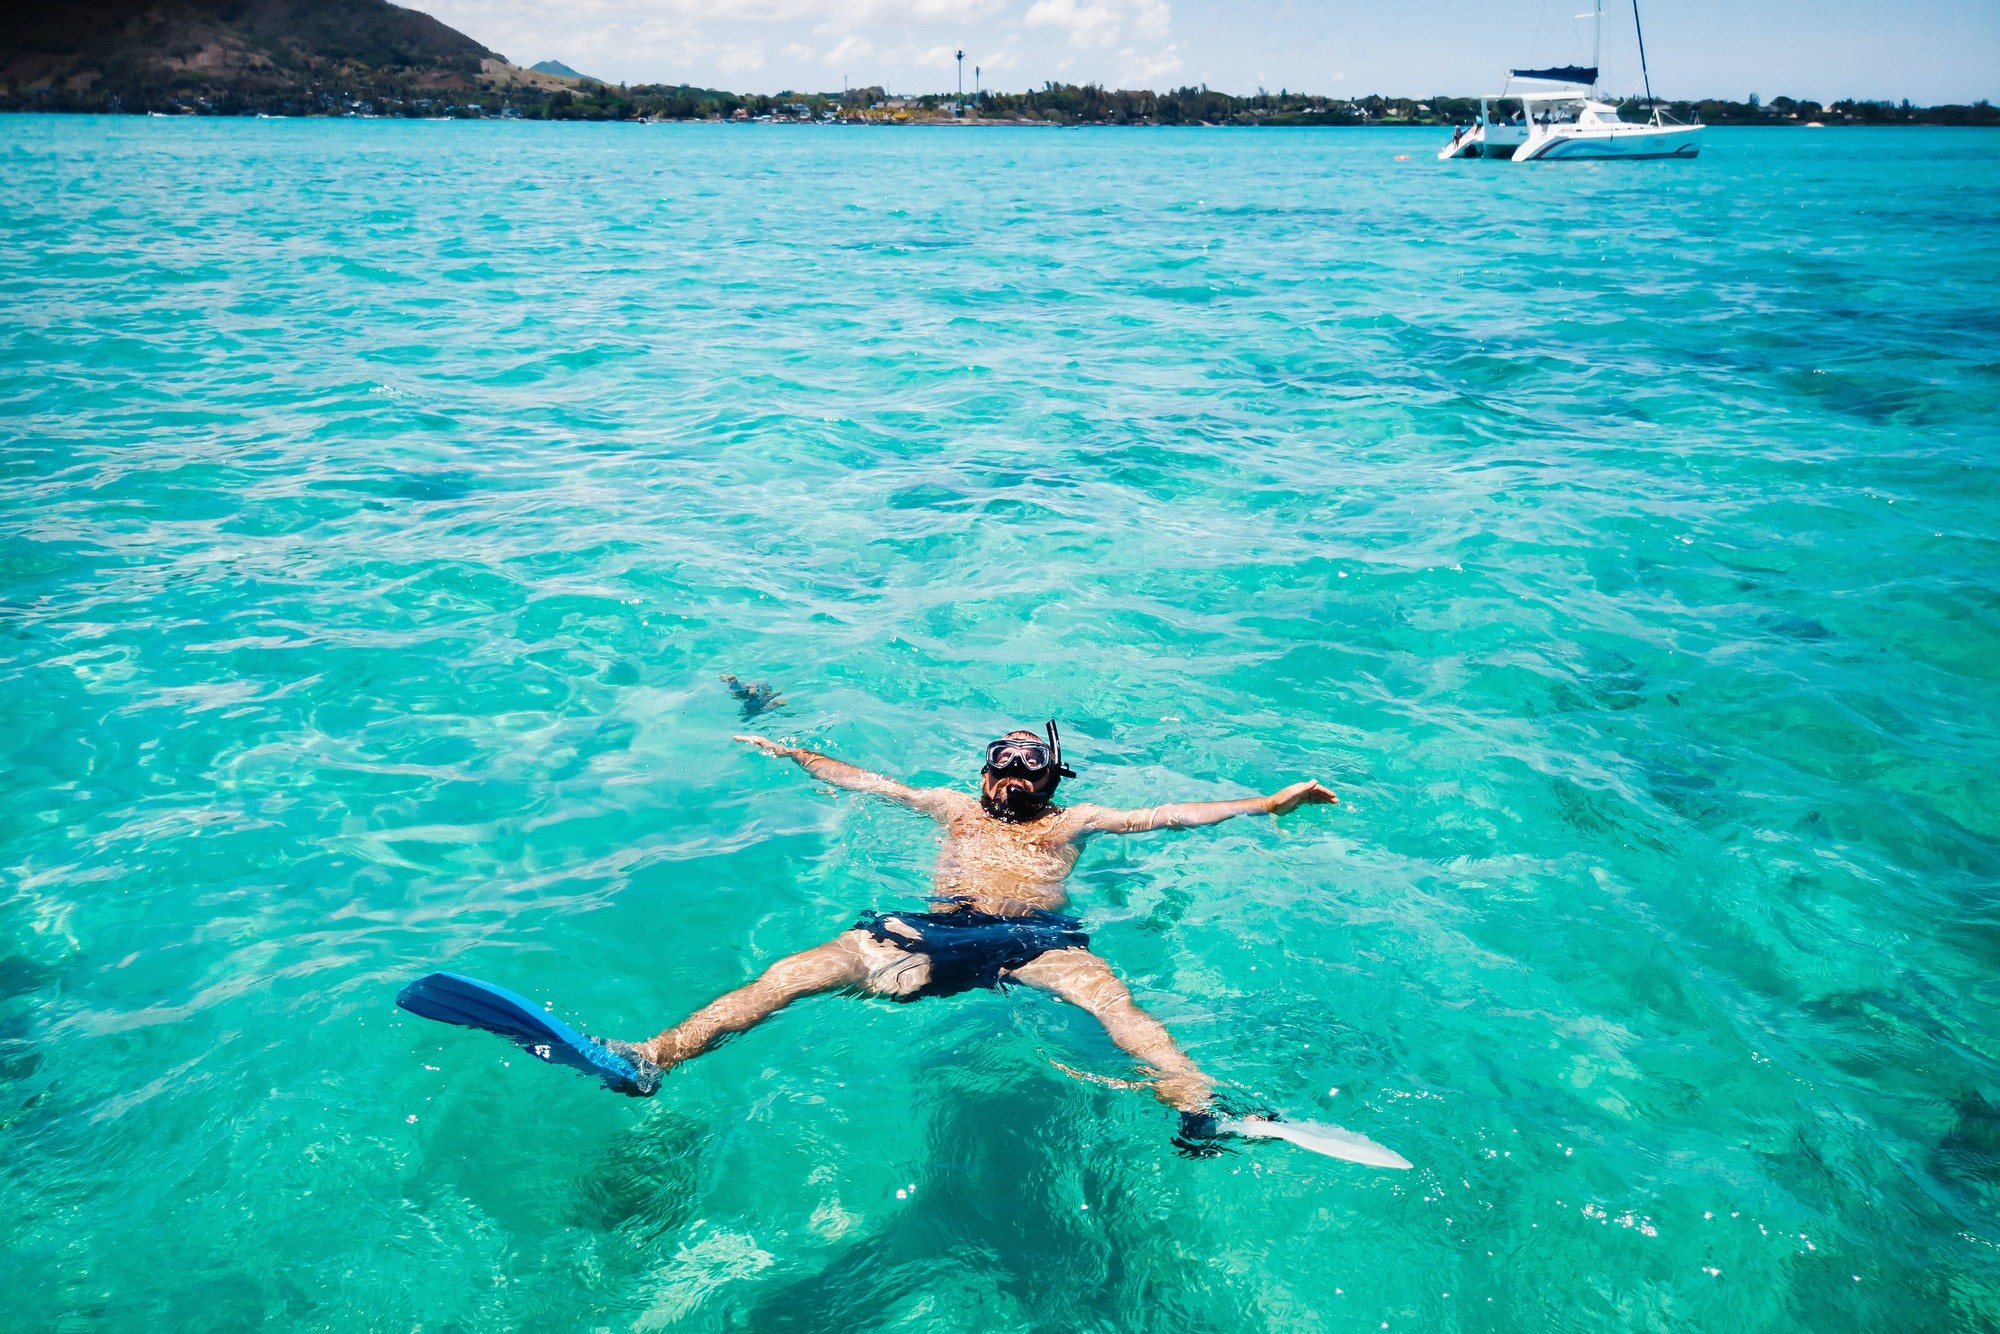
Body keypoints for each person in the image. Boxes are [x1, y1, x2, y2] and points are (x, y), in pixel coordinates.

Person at [611, 722, 1337, 1125]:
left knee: (1120, 1010)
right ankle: (656, 1056)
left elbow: (1169, 813)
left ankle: (1195, 1098)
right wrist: (794, 752)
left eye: (1031, 764)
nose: (1014, 774)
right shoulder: (951, 807)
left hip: (1040, 942)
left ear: (1053, 776)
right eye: (1002, 762)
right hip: (938, 928)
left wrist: (1265, 805)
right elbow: (867, 780)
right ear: (983, 771)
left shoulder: (1074, 819)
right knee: (796, 973)